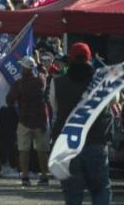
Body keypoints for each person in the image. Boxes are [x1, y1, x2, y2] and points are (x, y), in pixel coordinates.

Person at [50, 43, 112, 205]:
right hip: (96, 142)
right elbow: (113, 101)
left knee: (73, 194)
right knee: (100, 189)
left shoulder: (57, 82)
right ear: (89, 57)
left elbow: (55, 108)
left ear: (70, 58)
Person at [7, 56, 50, 186]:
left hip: (24, 120)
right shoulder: (40, 81)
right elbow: (44, 75)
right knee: (42, 150)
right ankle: (44, 176)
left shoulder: (19, 84)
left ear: (24, 68)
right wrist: (40, 67)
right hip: (41, 120)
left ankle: (25, 177)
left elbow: (9, 101)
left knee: (24, 150)